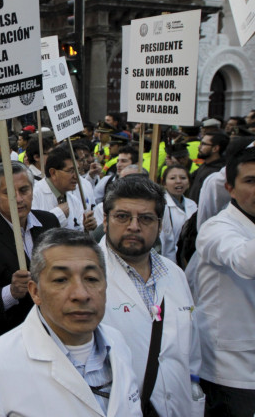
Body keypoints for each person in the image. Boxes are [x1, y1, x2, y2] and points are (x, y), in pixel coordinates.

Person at [0, 228, 142, 416]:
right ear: (35, 291)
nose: (81, 294)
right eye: (61, 280)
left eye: (91, 279)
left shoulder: (117, 344)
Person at [99, 176, 201, 416]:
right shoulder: (85, 275)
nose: (134, 226)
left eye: (145, 218)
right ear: (105, 221)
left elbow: (192, 350)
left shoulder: (174, 274)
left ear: (159, 224)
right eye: (122, 217)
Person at [0, 163, 59, 345]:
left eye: (24, 190)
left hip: (54, 331)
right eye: (8, 193)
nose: (19, 199)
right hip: (11, 338)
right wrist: (10, 292)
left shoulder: (49, 222)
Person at [195, 147, 255, 415]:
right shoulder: (216, 229)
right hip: (230, 371)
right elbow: (245, 261)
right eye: (251, 181)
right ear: (230, 188)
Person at [33, 146, 97, 232]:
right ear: (53, 173)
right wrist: (58, 214)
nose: (76, 177)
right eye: (71, 171)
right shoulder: (34, 195)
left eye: (77, 171)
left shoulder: (74, 200)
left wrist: (86, 227)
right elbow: (34, 232)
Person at [159, 165, 197, 263]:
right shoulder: (162, 205)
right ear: (164, 183)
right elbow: (164, 241)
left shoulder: (192, 204)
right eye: (172, 178)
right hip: (168, 258)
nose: (178, 181)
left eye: (183, 178)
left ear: (188, 183)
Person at [188, 131, 228, 203]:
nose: (199, 147)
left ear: (215, 148)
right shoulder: (206, 165)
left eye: (203, 144)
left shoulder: (218, 172)